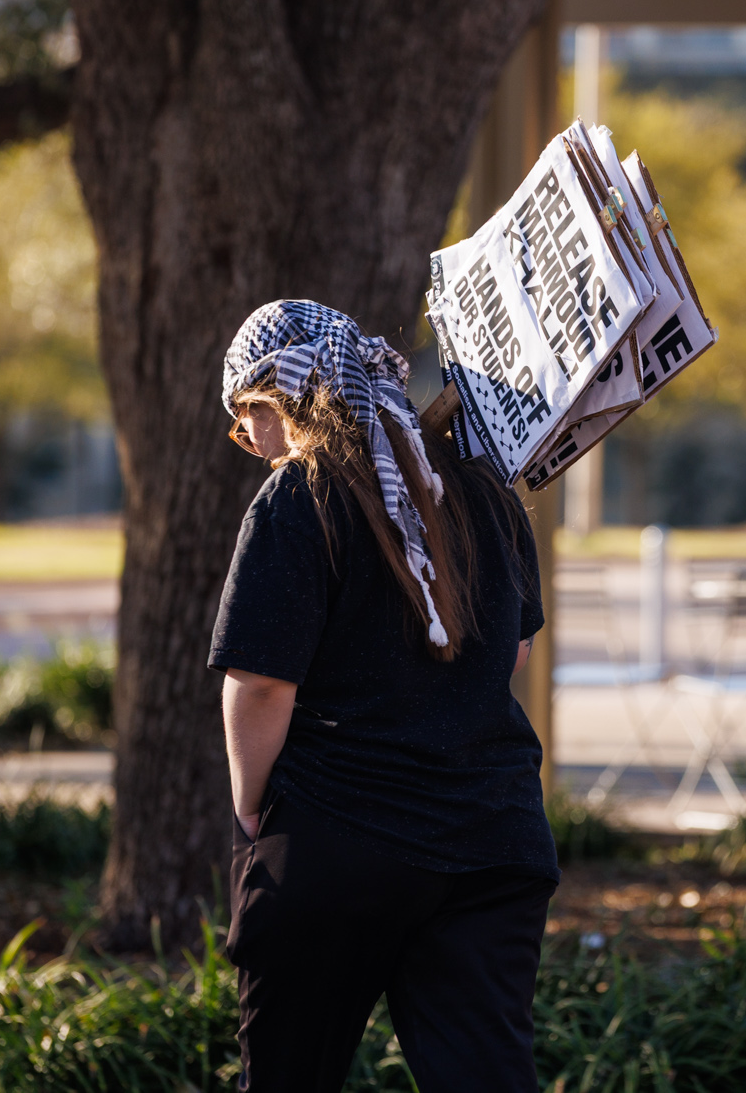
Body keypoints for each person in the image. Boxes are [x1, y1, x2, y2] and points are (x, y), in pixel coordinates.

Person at [210, 300, 556, 1093]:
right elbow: (515, 647)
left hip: (340, 836)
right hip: (493, 842)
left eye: (250, 414)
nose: (253, 440)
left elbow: (261, 683)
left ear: (288, 392)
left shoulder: (299, 495)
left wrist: (254, 811)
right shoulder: (478, 486)